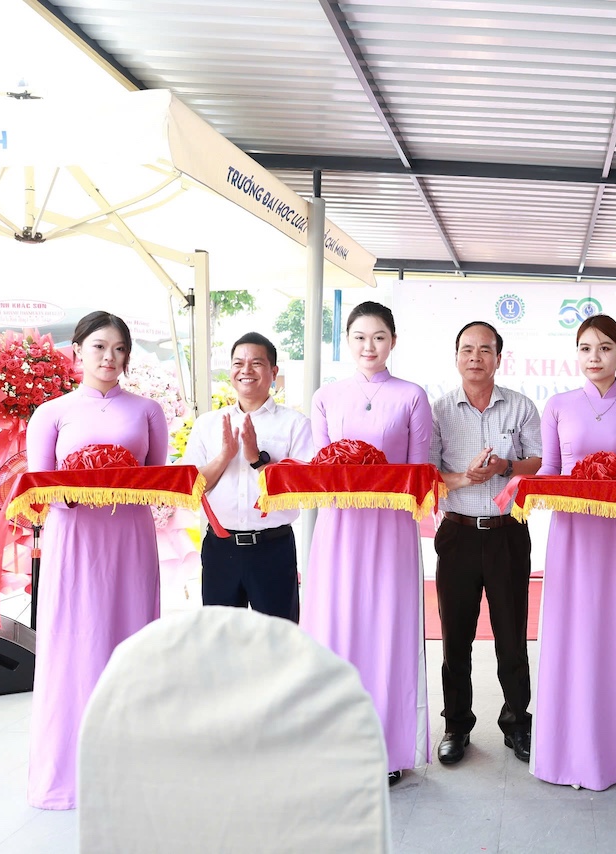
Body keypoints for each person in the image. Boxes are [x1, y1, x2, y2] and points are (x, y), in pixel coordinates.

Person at [25, 310, 168, 809]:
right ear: (78, 351)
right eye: (100, 347)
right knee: (74, 644)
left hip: (131, 540)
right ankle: (68, 775)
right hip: (75, 540)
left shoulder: (148, 411)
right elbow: (38, 488)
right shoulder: (51, 413)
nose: (110, 357)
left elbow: (155, 479)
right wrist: (74, 491)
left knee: (131, 643)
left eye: (119, 348)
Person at [301, 301, 434, 786]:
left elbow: (419, 474)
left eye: (378, 337)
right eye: (359, 337)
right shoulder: (326, 397)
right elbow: (319, 471)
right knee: (336, 629)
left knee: (387, 631)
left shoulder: (412, 396)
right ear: (346, 341)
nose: (369, 346)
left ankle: (389, 749)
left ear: (393, 341)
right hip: (338, 530)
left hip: (392, 530)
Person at [532, 314, 616, 790]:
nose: (594, 357)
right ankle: (565, 752)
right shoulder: (558, 406)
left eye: (605, 348)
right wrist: (523, 484)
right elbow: (550, 469)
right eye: (585, 348)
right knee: (572, 631)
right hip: (572, 534)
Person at [428, 321, 542, 766]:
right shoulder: (438, 411)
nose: (475, 357)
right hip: (457, 533)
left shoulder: (521, 407)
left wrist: (504, 466)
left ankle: (517, 723)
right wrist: (464, 477)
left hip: (506, 534)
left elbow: (539, 462)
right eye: (467, 349)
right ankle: (456, 726)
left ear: (498, 357)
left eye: (485, 349)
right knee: (455, 637)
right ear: (456, 356)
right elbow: (427, 473)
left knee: (512, 636)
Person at [181, 332, 314, 622]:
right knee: (220, 637)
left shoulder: (295, 424)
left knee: (278, 637)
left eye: (256, 363)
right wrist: (224, 456)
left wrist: (257, 459)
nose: (246, 370)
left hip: (273, 548)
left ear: (273, 372)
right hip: (220, 548)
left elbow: (302, 490)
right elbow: (191, 487)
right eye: (238, 363)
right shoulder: (207, 424)